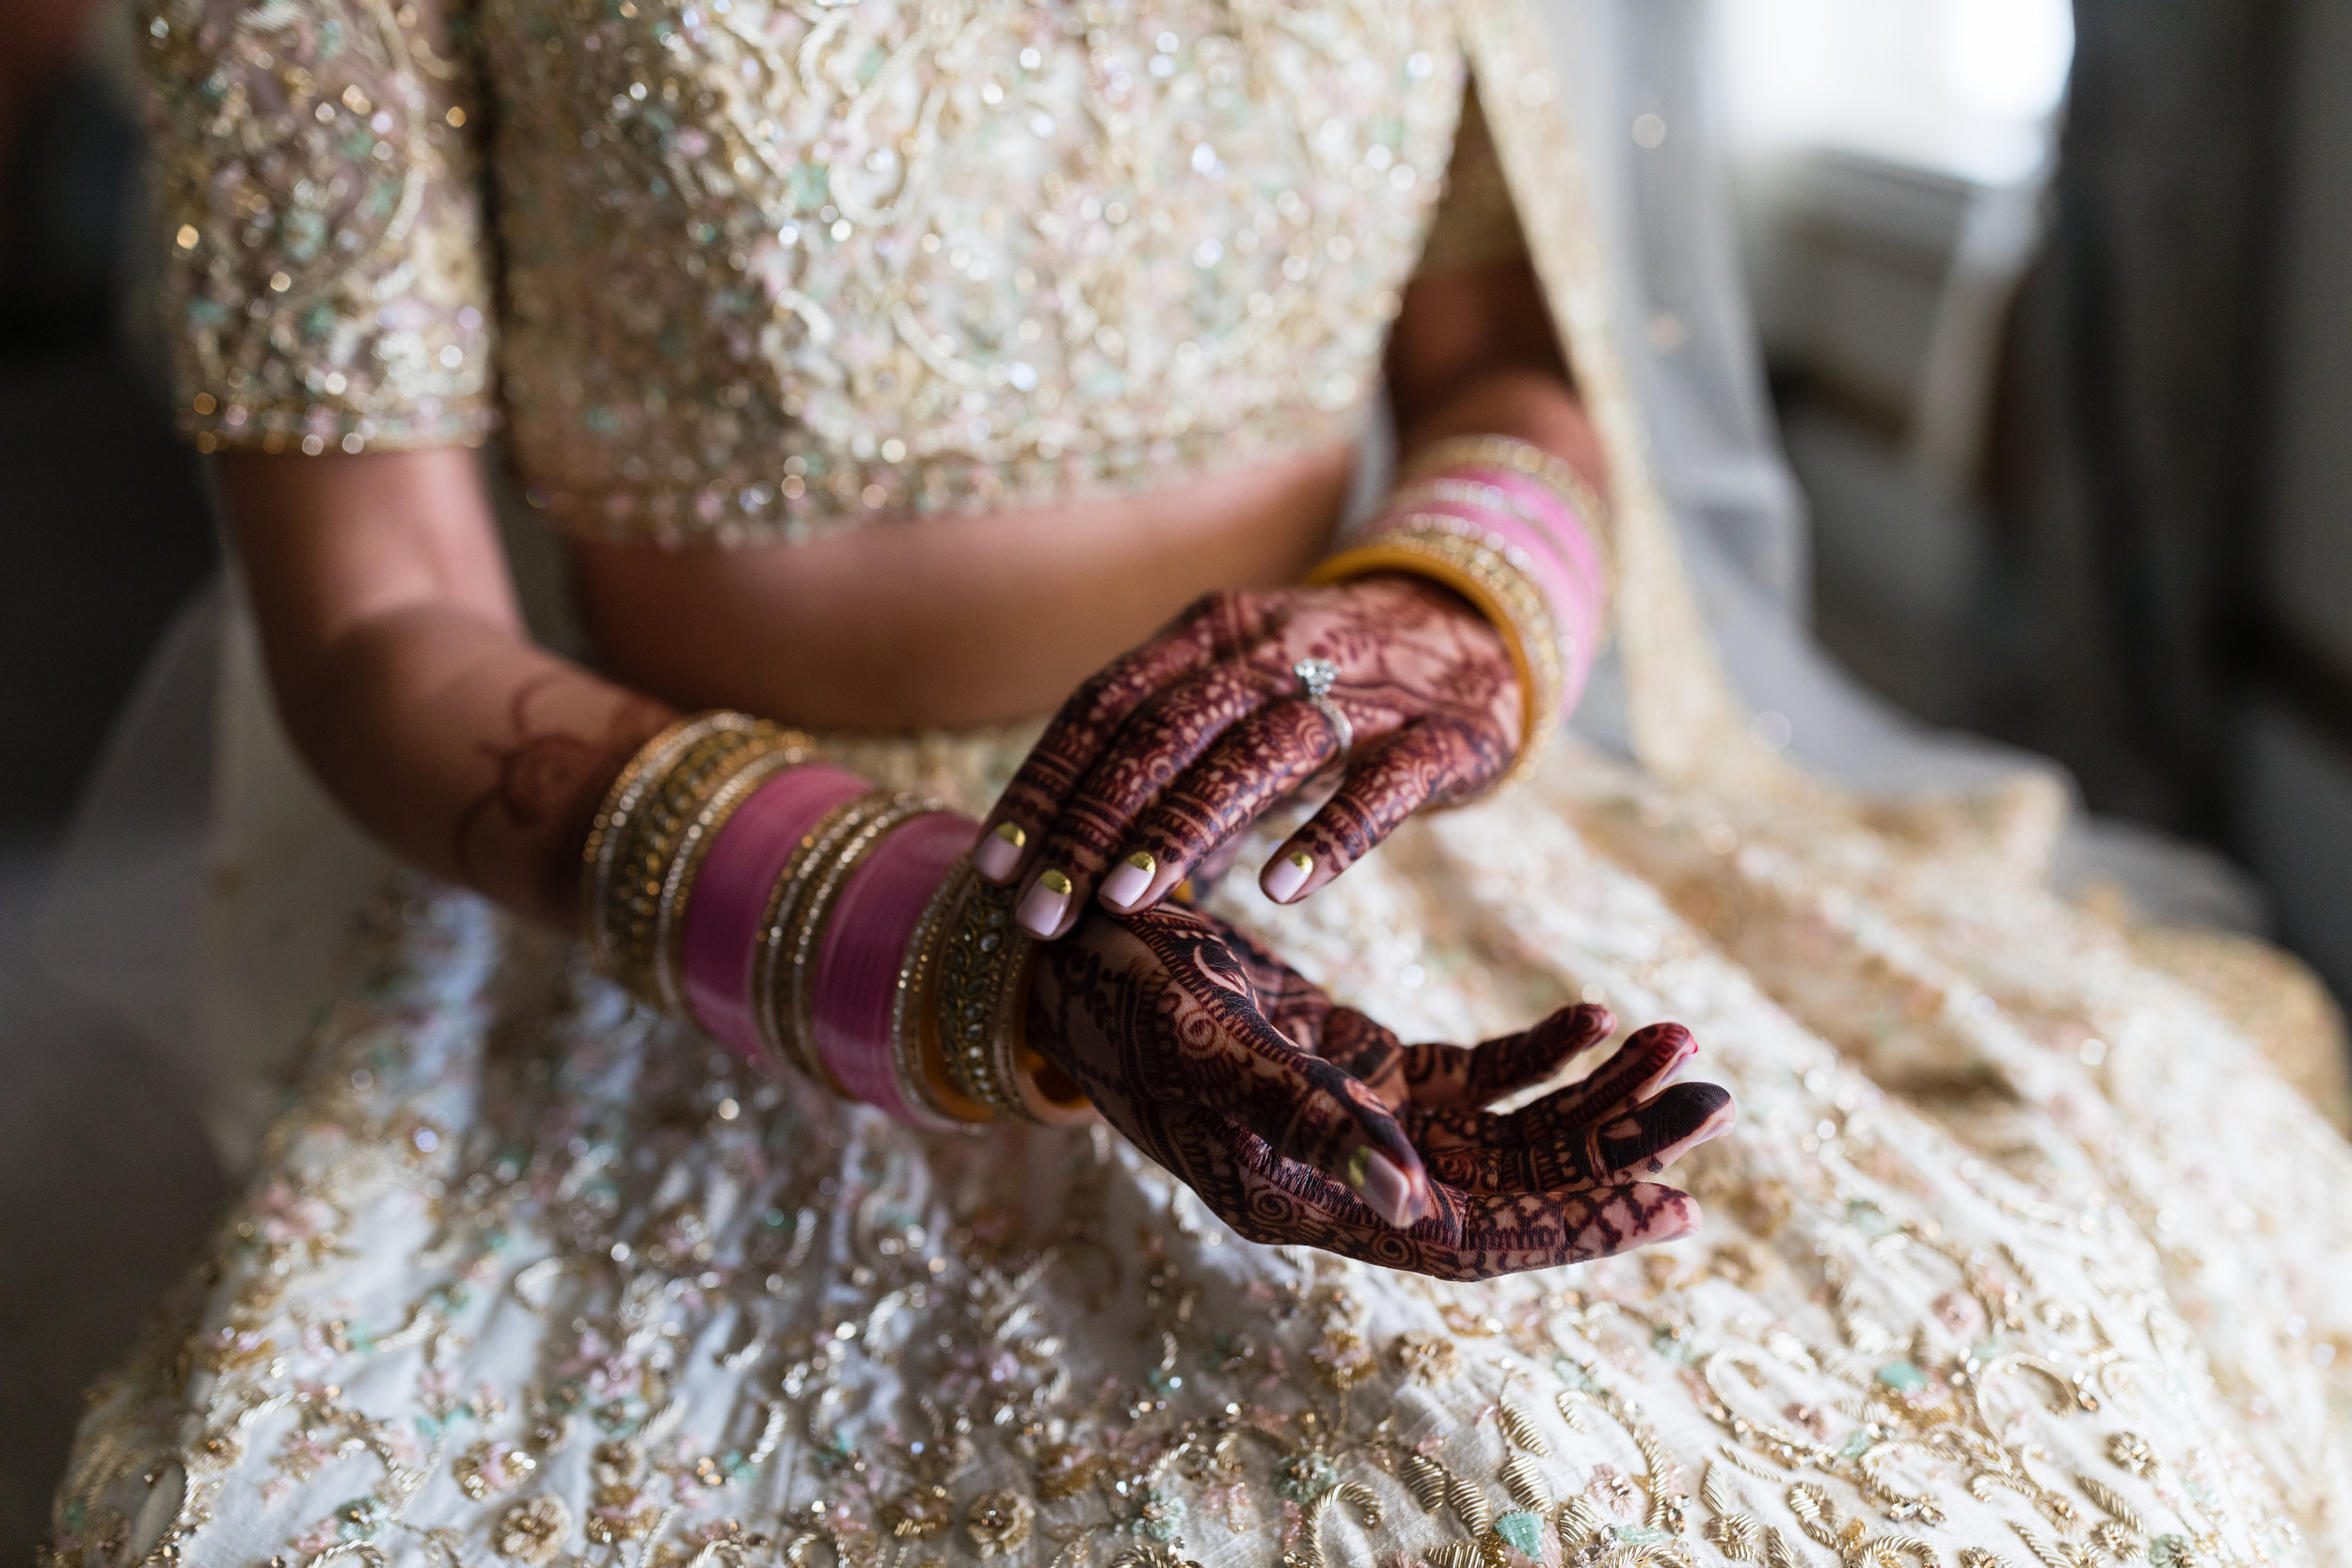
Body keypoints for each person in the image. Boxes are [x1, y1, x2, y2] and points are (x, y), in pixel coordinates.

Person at [45, 1, 2352, 1565]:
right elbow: (370, 626)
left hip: (1376, 831)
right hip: (750, 912)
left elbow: (1495, 360)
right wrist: (994, 966)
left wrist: (1451, 614)